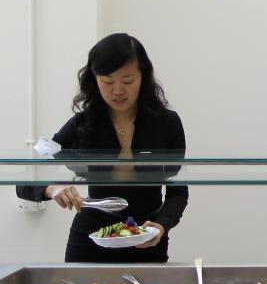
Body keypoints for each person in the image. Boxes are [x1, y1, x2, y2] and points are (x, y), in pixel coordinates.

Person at [17, 33, 188, 263]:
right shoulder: (80, 125)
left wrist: (162, 224)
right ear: (94, 80)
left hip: (146, 238)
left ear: (143, 77)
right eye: (108, 81)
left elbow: (178, 191)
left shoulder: (167, 124)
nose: (118, 90)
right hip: (89, 240)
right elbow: (24, 180)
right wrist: (51, 188)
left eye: (127, 81)